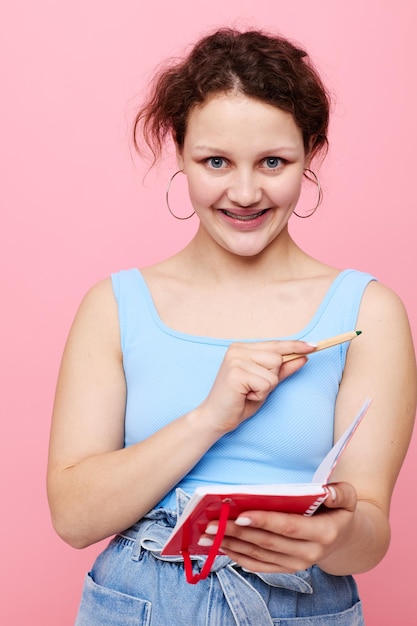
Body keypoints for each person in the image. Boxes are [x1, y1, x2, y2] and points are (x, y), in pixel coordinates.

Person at [47, 28, 416, 625]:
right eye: (215, 161)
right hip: (139, 604)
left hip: (301, 604)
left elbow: (370, 536)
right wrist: (209, 417)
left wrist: (334, 537)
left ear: (311, 153)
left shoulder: (369, 313)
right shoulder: (114, 306)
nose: (245, 193)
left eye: (274, 162)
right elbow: (73, 518)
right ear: (181, 151)